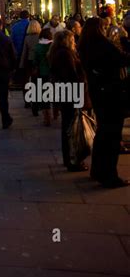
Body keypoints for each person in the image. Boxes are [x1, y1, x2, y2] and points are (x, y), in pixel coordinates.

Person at [79, 17, 130, 189]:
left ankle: (98, 170)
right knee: (112, 135)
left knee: (102, 132)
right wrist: (123, 40)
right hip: (111, 92)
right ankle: (109, 175)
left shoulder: (85, 44)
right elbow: (123, 59)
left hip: (98, 92)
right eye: (105, 26)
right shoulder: (102, 44)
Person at [48, 30, 89, 172]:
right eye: (72, 39)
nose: (74, 42)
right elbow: (71, 75)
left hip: (65, 93)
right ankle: (72, 160)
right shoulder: (65, 54)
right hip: (70, 93)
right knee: (72, 128)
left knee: (68, 126)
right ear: (66, 40)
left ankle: (70, 158)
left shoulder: (58, 52)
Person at [32, 27, 54, 123]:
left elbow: (35, 61)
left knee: (45, 95)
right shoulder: (53, 46)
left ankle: (46, 116)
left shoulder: (38, 47)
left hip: (42, 72)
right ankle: (55, 112)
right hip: (53, 73)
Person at [19, 19, 41, 108]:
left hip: (29, 61)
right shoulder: (41, 37)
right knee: (38, 81)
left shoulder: (27, 38)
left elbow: (24, 52)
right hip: (39, 61)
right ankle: (38, 100)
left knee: (27, 81)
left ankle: (27, 101)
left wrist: (21, 64)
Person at [10, 10, 30, 87]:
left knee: (19, 68)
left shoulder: (15, 27)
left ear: (20, 17)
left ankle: (18, 82)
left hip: (18, 52)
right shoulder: (31, 25)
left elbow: (12, 40)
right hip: (28, 53)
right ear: (28, 16)